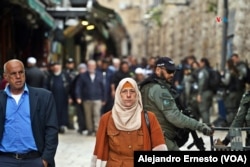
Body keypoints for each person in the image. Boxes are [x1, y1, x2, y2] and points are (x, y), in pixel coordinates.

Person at [140, 57, 213, 151]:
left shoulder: (147, 86)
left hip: (152, 136)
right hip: (160, 138)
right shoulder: (159, 90)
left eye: (173, 71)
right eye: (169, 71)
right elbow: (175, 117)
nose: (172, 74)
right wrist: (200, 126)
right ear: (158, 70)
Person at [91, 78, 167, 167]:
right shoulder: (106, 119)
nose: (128, 95)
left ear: (137, 94)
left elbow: (159, 147)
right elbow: (100, 149)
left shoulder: (149, 118)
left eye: (132, 91)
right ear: (119, 94)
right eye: (124, 91)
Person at [0, 59, 58, 167]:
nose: (18, 76)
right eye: (13, 73)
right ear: (6, 76)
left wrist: (45, 159)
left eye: (21, 72)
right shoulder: (1, 98)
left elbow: (52, 129)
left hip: (34, 160)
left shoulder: (44, 97)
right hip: (5, 160)